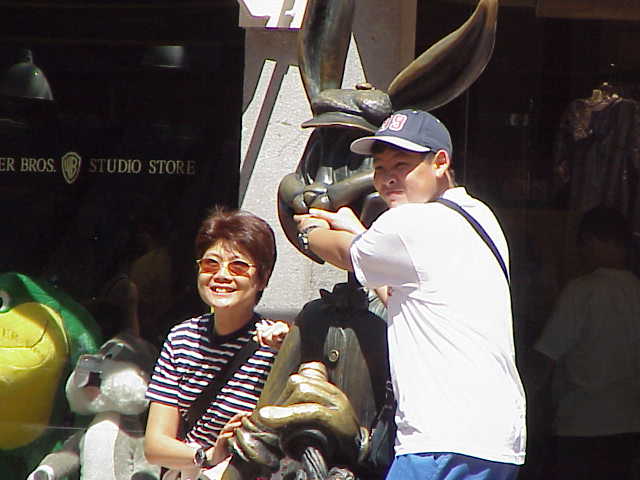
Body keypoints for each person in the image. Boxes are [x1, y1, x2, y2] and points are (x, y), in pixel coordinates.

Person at [294, 109, 526, 480]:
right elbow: (409, 296)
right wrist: (361, 233)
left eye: (402, 164)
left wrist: (310, 229)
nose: (388, 178)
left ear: (440, 162)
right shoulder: (480, 216)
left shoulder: (412, 222)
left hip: (439, 441)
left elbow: (345, 253)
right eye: (381, 168)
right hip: (497, 443)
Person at [144, 207, 289, 479]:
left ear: (263, 279)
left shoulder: (275, 343)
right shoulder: (181, 338)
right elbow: (155, 446)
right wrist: (208, 455)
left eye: (238, 266)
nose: (222, 275)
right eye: (211, 264)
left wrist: (290, 349)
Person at [532, 205, 640, 479]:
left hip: (581, 425)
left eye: (583, 245)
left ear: (593, 241)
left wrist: (530, 404)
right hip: (629, 423)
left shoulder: (582, 291)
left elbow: (547, 354)